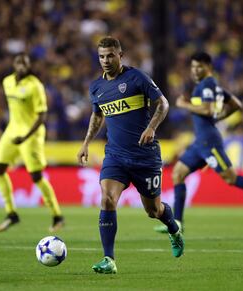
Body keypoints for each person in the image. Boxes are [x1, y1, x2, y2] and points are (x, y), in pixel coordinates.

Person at [77, 36, 184, 274]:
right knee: (107, 199)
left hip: (145, 157)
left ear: (120, 55)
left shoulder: (136, 78)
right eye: (102, 56)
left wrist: (151, 127)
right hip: (115, 156)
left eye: (110, 55)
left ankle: (174, 229)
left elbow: (163, 104)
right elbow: (97, 116)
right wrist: (86, 143)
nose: (105, 60)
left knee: (153, 211)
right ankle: (109, 259)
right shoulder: (97, 87)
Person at [154, 52, 243, 234]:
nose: (194, 70)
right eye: (192, 66)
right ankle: (177, 222)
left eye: (199, 66)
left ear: (209, 67)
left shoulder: (208, 84)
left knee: (230, 178)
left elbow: (207, 109)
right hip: (200, 142)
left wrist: (185, 105)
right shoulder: (209, 86)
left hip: (209, 143)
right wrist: (218, 116)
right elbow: (236, 104)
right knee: (178, 174)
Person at [0, 53, 64, 232]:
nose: (21, 66)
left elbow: (42, 116)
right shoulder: (7, 81)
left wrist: (25, 137)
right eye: (18, 62)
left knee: (36, 176)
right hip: (12, 131)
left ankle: (57, 216)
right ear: (14, 64)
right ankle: (11, 214)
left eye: (25, 63)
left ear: (29, 65)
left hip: (31, 134)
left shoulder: (35, 85)